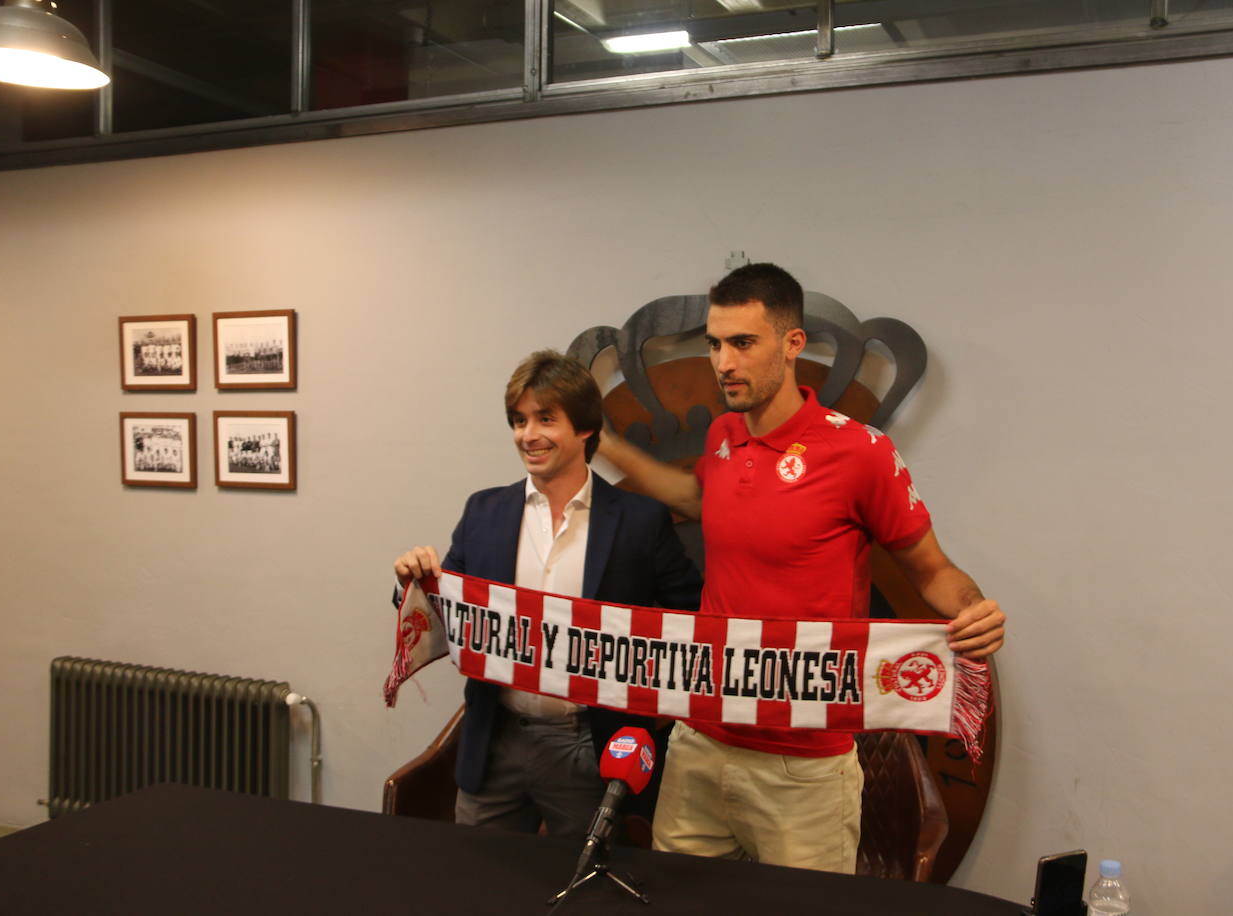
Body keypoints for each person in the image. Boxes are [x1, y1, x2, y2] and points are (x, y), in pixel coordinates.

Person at [600, 263, 1006, 874]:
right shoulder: (722, 435)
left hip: (803, 763)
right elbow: (696, 500)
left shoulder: (860, 451)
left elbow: (931, 570)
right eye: (715, 344)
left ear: (792, 345)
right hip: (699, 743)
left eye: (742, 343)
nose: (723, 363)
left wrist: (974, 607)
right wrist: (600, 441)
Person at [393, 350, 701, 841]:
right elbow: (443, 613)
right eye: (519, 420)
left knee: (580, 892)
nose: (527, 435)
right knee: (478, 883)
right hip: (495, 740)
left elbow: (691, 619)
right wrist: (412, 581)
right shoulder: (484, 512)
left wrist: (653, 715)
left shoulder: (639, 522)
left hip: (589, 746)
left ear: (584, 429)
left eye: (545, 419)